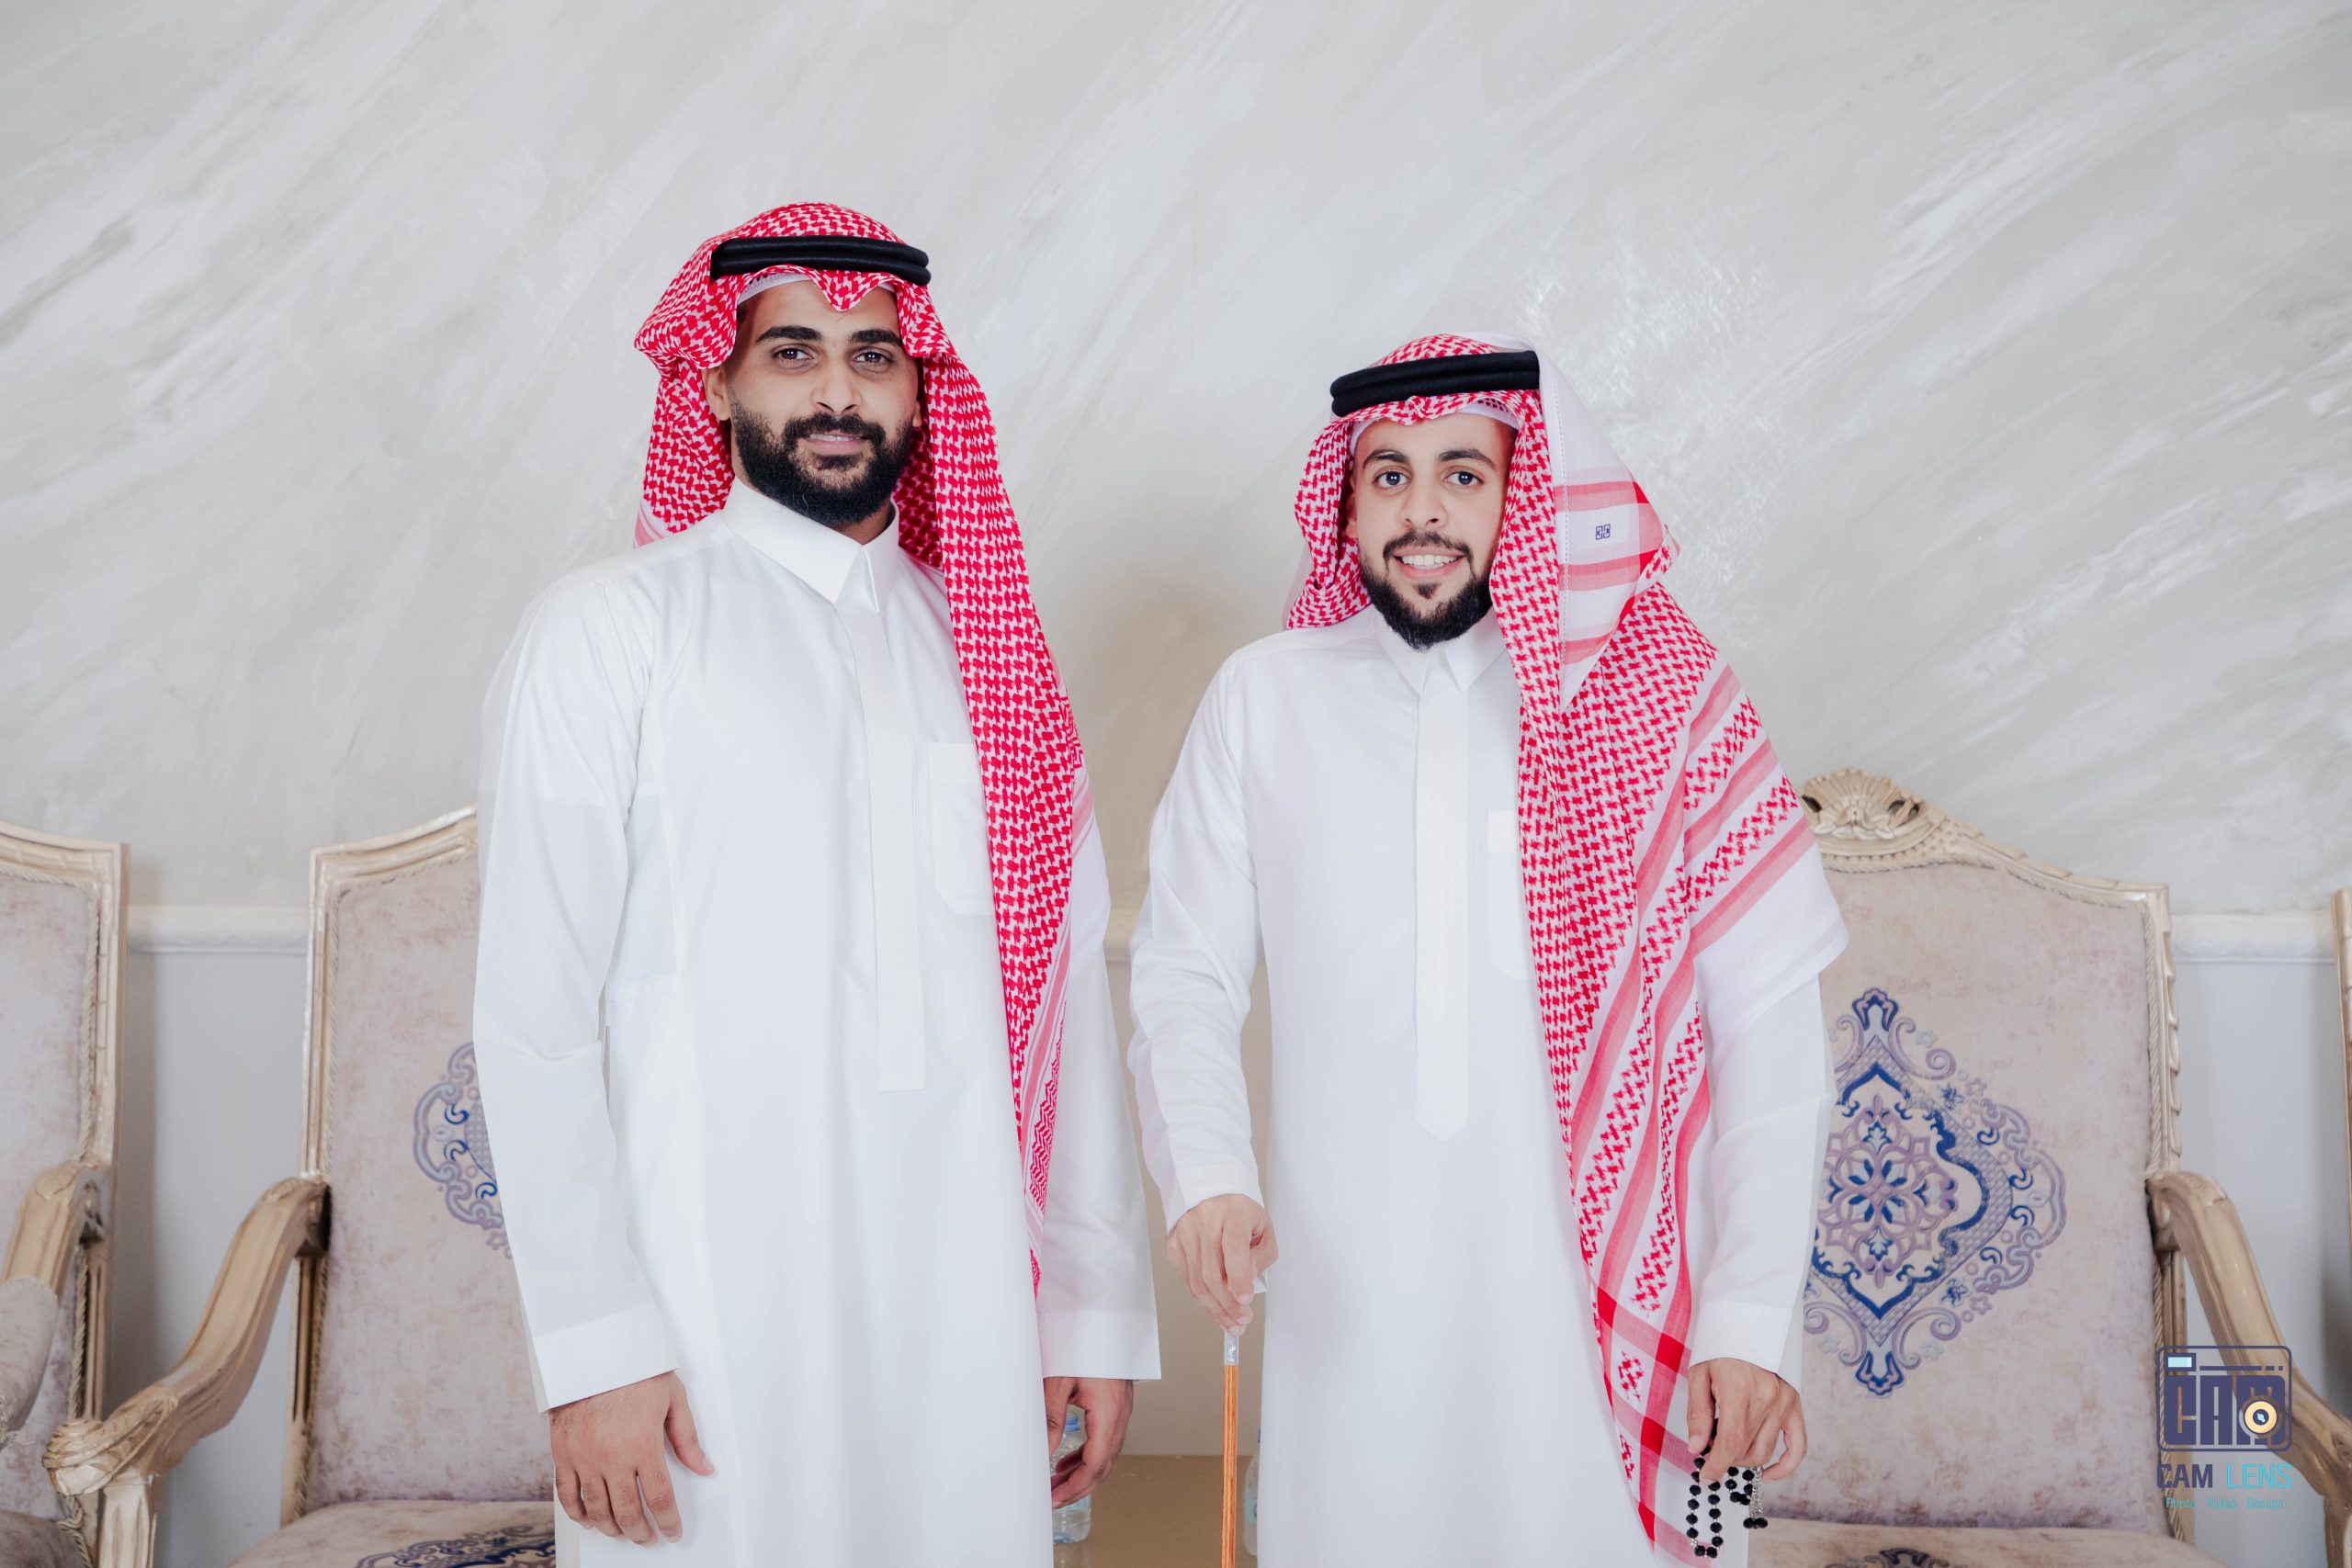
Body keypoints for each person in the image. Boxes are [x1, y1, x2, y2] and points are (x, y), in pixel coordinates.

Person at [472, 203, 1158, 1566]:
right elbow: (531, 1021)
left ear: (920, 387)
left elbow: (1065, 1002)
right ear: (715, 382)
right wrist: (596, 1351)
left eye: (872, 354)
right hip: (709, 1317)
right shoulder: (611, 631)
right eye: (793, 352)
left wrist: (1087, 1307)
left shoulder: (991, 660)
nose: (838, 390)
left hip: (966, 1306)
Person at [1128, 333, 1846, 1564]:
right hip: (1347, 1313)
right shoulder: (1264, 697)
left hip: (1603, 1318)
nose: (1423, 511)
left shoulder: (1658, 702)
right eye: (1389, 475)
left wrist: (1746, 1316)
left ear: (1528, 496)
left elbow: (1770, 1030)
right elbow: (1184, 974)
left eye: (1464, 473)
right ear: (1346, 504)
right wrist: (1206, 1175)